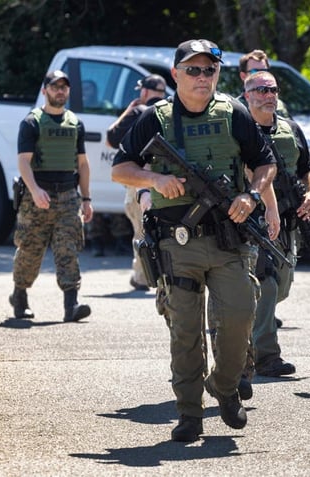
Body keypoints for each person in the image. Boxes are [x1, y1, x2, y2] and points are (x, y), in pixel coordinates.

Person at [112, 39, 277, 443]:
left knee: (240, 316)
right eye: (193, 70)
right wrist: (155, 180)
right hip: (175, 242)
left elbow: (266, 163)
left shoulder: (233, 113)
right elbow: (121, 168)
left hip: (227, 240)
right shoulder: (155, 118)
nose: (202, 77)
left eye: (210, 70)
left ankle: (223, 386)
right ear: (176, 74)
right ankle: (189, 413)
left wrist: (251, 195)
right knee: (185, 331)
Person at [243, 70, 310, 377]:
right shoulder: (241, 130)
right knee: (268, 283)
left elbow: (308, 168)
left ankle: (241, 330)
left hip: (288, 222)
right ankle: (265, 356)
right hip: (253, 221)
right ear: (247, 95)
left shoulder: (290, 129)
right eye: (260, 90)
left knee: (282, 286)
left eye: (272, 90)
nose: (268, 95)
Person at [9, 70, 94, 323]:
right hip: (38, 196)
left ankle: (72, 304)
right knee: (30, 251)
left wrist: (87, 198)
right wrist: (35, 190)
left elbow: (83, 164)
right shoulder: (32, 122)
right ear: (45, 90)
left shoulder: (75, 123)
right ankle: (20, 296)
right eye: (55, 87)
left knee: (67, 249)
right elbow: (24, 162)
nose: (60, 91)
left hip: (68, 196)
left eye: (64, 87)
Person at [105, 74, 168, 290]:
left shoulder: (138, 112)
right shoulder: (169, 113)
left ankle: (142, 277)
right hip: (167, 179)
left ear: (144, 92)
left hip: (139, 180)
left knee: (142, 230)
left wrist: (128, 110)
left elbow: (111, 138)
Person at [238, 49, 289, 118]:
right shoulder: (237, 108)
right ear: (243, 76)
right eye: (255, 72)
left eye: (264, 71)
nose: (261, 76)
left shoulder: (278, 105)